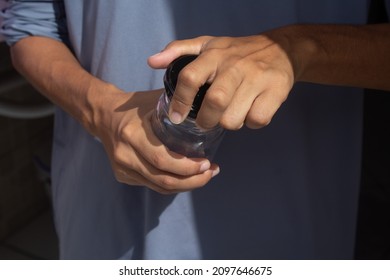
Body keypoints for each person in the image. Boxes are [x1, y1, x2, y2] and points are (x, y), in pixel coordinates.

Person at [1, 0, 389, 259]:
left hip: (291, 225)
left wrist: (299, 47)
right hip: (108, 223)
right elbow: (27, 25)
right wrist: (100, 111)